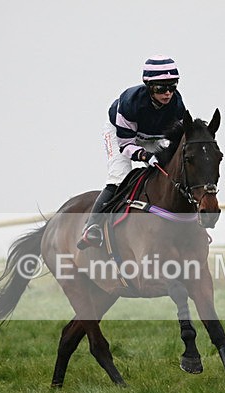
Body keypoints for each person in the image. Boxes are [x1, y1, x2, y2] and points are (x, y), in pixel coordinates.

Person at [77, 55, 186, 250]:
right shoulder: (130, 102)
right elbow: (126, 145)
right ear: (149, 87)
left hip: (153, 135)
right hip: (121, 134)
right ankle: (93, 226)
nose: (168, 93)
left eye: (172, 86)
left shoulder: (177, 104)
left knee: (169, 173)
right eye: (162, 88)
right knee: (119, 178)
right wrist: (145, 156)